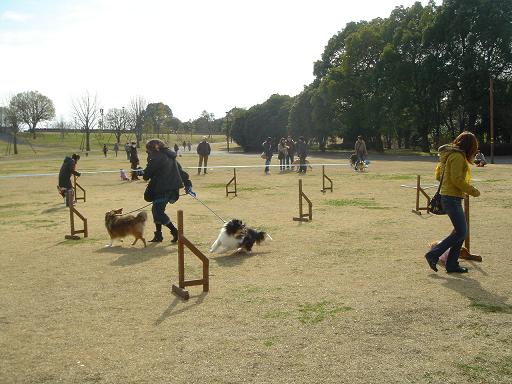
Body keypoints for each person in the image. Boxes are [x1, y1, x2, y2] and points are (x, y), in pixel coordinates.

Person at [424, 131, 481, 274]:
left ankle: (451, 264)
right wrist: (472, 190)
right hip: (451, 198)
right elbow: (457, 179)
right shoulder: (457, 157)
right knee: (461, 231)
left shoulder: (448, 155)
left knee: (460, 231)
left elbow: (438, 176)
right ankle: (433, 254)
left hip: (450, 197)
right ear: (470, 146)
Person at [143, 139, 192, 243]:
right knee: (156, 210)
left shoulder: (157, 158)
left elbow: (146, 175)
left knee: (158, 212)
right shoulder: (170, 156)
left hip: (162, 189)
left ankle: (175, 232)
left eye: (148, 151)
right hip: (169, 189)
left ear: (152, 149)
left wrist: (143, 171)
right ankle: (158, 235)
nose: (148, 153)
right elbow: (181, 172)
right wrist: (188, 184)